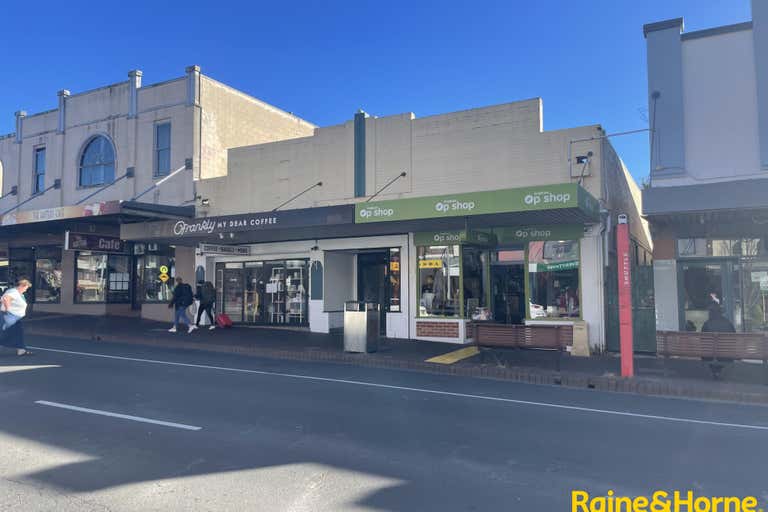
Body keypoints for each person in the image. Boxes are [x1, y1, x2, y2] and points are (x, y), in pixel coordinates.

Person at [1, 278, 33, 356]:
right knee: (4, 333)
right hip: (10, 316)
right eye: (26, 288)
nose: (26, 290)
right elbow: (6, 298)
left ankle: (21, 350)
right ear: (22, 286)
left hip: (15, 317)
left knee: (18, 333)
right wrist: (7, 309)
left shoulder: (18, 293)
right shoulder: (14, 292)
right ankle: (21, 350)